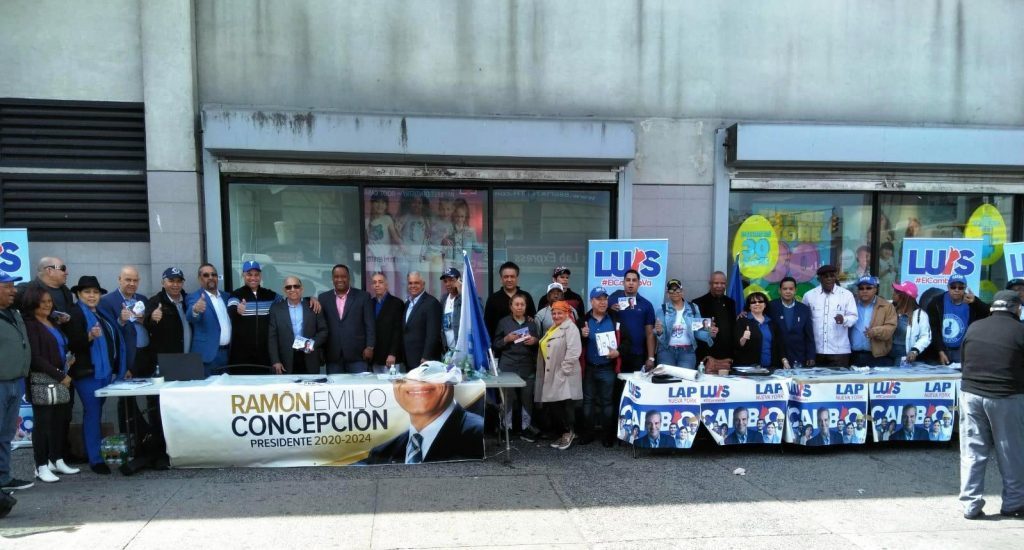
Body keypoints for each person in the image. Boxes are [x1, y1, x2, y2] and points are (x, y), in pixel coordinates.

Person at [958, 290, 1024, 519]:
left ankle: (970, 505)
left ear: (993, 307)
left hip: (971, 394)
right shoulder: (1020, 330)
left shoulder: (975, 327)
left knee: (972, 451)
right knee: (1010, 451)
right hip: (1006, 396)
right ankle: (1014, 504)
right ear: (1016, 308)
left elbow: (964, 361)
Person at [364, 362, 484, 464]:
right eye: (409, 380)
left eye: (430, 379)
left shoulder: (476, 434)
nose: (417, 385)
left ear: (449, 385)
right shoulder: (382, 452)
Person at [66, 275, 126, 474]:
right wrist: (89, 337)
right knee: (92, 414)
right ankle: (95, 459)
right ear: (78, 294)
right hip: (87, 373)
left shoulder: (100, 313)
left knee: (96, 413)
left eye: (95, 292)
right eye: (87, 292)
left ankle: (96, 455)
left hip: (103, 371)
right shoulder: (75, 313)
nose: (92, 296)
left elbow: (112, 338)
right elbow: (71, 343)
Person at [21, 286, 79, 482]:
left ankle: (57, 459)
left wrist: (67, 363)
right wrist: (58, 374)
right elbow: (35, 357)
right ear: (33, 303)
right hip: (44, 379)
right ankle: (41, 465)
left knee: (59, 421)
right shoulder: (30, 325)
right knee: (43, 424)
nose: (47, 305)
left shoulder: (52, 322)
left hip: (61, 375)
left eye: (49, 301)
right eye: (43, 301)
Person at [0, 271, 34, 492]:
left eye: (14, 286)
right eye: (7, 286)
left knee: (5, 434)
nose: (14, 290)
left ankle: (3, 478)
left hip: (15, 381)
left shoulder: (13, 313)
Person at [579, 286, 624, 447]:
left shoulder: (615, 319)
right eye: (599, 299)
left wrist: (618, 352)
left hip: (607, 368)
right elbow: (575, 344)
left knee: (607, 403)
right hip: (589, 368)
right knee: (588, 403)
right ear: (591, 301)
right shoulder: (583, 320)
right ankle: (588, 434)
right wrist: (581, 335)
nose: (603, 302)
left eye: (605, 299)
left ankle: (607, 436)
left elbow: (627, 341)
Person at [536, 301, 582, 450]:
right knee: (555, 405)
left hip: (563, 374)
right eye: (554, 313)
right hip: (552, 372)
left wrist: (563, 371)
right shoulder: (553, 328)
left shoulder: (571, 328)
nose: (556, 316)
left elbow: (574, 352)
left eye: (560, 313)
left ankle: (569, 433)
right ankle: (563, 433)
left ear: (567, 313)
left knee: (565, 406)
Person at [492, 293, 539, 439]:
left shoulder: (532, 323)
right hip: (508, 365)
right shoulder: (504, 322)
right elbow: (495, 344)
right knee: (508, 398)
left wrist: (535, 341)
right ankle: (507, 428)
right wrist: (506, 339)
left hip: (527, 365)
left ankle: (526, 428)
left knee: (527, 398)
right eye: (516, 304)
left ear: (526, 307)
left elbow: (539, 343)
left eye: (522, 304)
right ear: (511, 307)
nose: (519, 307)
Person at [318, 264, 375, 374]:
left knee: (359, 389)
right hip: (333, 354)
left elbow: (370, 324)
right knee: (335, 389)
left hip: (358, 354)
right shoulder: (323, 298)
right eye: (336, 276)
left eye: (343, 276)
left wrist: (370, 347)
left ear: (349, 278)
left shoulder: (363, 296)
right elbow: (320, 326)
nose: (339, 279)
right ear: (332, 278)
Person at [923, 274, 989, 365]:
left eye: (960, 287)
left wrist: (976, 302)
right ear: (948, 287)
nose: (956, 290)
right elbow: (933, 329)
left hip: (962, 351)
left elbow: (988, 314)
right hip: (941, 350)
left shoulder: (971, 301)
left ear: (965, 288)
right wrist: (940, 350)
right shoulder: (937, 302)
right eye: (953, 287)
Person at [99, 266, 152, 376]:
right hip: (125, 356)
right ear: (119, 279)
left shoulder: (143, 299)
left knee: (151, 390)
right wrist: (121, 321)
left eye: (135, 280)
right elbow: (107, 334)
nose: (132, 284)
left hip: (146, 354)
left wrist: (144, 320)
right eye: (128, 280)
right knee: (126, 392)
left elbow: (150, 325)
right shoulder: (106, 301)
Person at [268, 277, 328, 375]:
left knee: (310, 389)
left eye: (296, 286)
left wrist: (311, 344)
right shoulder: (276, 309)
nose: (292, 289)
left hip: (309, 356)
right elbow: (272, 338)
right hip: (286, 359)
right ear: (284, 290)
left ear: (301, 289)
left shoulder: (313, 306)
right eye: (288, 287)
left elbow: (323, 331)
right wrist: (275, 360)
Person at [802, 265, 858, 368]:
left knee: (838, 383)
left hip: (839, 352)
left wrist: (844, 319)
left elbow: (853, 317)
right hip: (816, 351)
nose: (829, 279)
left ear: (835, 277)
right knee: (815, 383)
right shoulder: (809, 296)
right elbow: (804, 321)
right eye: (825, 276)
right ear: (819, 279)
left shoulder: (846, 295)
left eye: (832, 276)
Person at [226, 261, 280, 367]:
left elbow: (289, 302)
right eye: (249, 274)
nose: (253, 278)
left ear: (260, 276)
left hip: (265, 354)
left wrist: (308, 299)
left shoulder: (270, 295)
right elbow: (231, 309)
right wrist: (237, 310)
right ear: (243, 275)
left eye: (256, 275)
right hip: (241, 355)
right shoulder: (236, 294)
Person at [654, 279, 712, 370]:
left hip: (687, 352)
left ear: (682, 292)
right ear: (667, 293)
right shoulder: (662, 309)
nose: (675, 292)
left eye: (677, 290)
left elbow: (697, 331)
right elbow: (659, 332)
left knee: (685, 380)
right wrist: (659, 331)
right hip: (666, 351)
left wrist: (709, 333)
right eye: (671, 290)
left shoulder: (693, 307)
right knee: (665, 381)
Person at [186, 263, 232, 375]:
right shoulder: (195, 297)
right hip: (207, 355)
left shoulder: (227, 297)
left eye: (214, 274)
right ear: (200, 279)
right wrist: (196, 310)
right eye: (206, 275)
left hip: (228, 354)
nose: (211, 277)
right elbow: (191, 317)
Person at [608, 269, 656, 374]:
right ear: (623, 282)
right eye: (628, 280)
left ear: (639, 283)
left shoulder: (646, 304)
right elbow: (598, 316)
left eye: (634, 280)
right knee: (616, 388)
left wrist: (651, 358)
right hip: (616, 353)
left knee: (634, 387)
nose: (631, 283)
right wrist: (608, 309)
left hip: (637, 354)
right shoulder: (612, 300)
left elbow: (650, 333)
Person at [767, 277, 815, 367]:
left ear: (795, 290)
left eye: (791, 289)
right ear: (779, 290)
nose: (788, 291)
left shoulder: (804, 309)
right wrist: (744, 312)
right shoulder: (770, 306)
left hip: (799, 356)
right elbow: (757, 315)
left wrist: (811, 356)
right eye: (785, 289)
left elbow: (809, 336)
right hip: (777, 355)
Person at [849, 276, 897, 366]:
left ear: (875, 289)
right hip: (852, 356)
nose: (864, 291)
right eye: (861, 288)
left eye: (868, 288)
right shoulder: (851, 304)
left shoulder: (886, 306)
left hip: (877, 357)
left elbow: (891, 327)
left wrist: (875, 331)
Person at [734, 292, 788, 371]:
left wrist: (784, 360)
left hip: (771, 368)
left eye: (760, 301)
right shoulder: (742, 321)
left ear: (765, 304)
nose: (757, 304)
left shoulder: (772, 323)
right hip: (750, 370)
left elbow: (779, 344)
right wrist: (744, 338)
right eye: (753, 302)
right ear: (749, 306)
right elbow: (738, 345)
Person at [145, 267, 192, 356]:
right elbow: (147, 325)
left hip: (189, 355)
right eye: (171, 281)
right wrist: (152, 318)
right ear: (163, 283)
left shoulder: (188, 300)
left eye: (179, 281)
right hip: (167, 358)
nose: (175, 284)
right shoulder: (155, 301)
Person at [484, 261, 536, 340]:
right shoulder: (493, 299)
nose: (509, 279)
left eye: (512, 276)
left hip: (524, 346)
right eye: (506, 277)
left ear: (517, 278)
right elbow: (487, 325)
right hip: (500, 347)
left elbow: (533, 321)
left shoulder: (526, 296)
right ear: (501, 278)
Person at [693, 271, 735, 367]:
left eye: (723, 283)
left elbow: (733, 326)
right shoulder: (698, 303)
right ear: (710, 284)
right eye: (716, 283)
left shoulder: (731, 303)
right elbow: (695, 329)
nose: (719, 286)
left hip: (727, 356)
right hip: (707, 357)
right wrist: (708, 328)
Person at [402, 272, 442, 366]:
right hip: (408, 358)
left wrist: (426, 356)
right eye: (410, 283)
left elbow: (433, 333)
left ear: (423, 284)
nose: (413, 286)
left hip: (423, 359)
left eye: (416, 283)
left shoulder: (431, 303)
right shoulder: (407, 303)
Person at [888, 281, 931, 365]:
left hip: (903, 358)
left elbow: (925, 336)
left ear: (905, 296)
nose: (893, 294)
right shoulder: (889, 308)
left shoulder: (920, 315)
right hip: (886, 357)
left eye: (897, 292)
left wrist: (914, 351)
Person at [369, 272, 405, 371]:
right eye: (374, 282)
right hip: (375, 357)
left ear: (386, 284)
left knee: (391, 385)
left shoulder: (397, 303)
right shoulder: (370, 303)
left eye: (380, 282)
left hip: (390, 358)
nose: (377, 285)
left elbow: (398, 331)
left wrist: (392, 353)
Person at [439, 267, 470, 355]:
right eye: (445, 281)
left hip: (462, 349)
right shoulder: (444, 299)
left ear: (459, 280)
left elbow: (477, 309)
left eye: (451, 280)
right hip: (447, 350)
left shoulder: (465, 297)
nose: (448, 284)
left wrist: (462, 291)